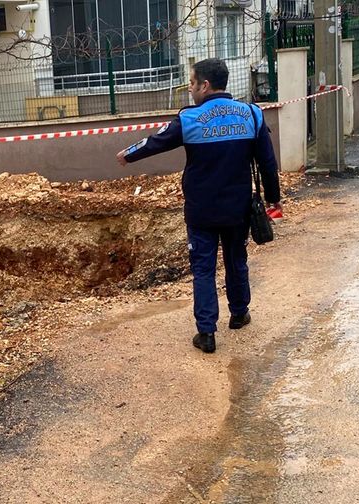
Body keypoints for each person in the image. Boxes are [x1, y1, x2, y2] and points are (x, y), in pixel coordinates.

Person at [116, 58, 282, 354]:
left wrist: (128, 154)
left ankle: (206, 333)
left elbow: (156, 141)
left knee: (203, 269)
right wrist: (273, 198)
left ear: (205, 85)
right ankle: (239, 314)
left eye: (192, 83)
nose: (190, 89)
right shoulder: (251, 115)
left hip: (201, 210)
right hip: (237, 209)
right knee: (236, 260)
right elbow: (268, 164)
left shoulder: (190, 120)